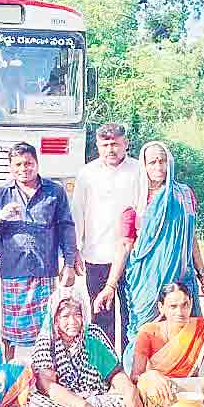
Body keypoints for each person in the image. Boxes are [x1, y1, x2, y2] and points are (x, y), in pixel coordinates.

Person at [94, 140, 204, 368]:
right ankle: (139, 381)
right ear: (144, 166)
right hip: (145, 283)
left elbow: (191, 238)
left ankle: (180, 377)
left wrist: (203, 275)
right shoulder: (136, 202)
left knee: (183, 329)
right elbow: (124, 245)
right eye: (152, 162)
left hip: (182, 278)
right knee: (145, 333)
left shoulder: (184, 195)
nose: (158, 166)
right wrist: (110, 285)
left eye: (162, 161)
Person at [0, 142, 77, 359]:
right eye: (18, 165)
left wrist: (69, 263)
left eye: (28, 163)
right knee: (10, 329)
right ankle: (8, 371)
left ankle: (48, 369)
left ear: (37, 163)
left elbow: (66, 226)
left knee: (49, 326)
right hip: (13, 270)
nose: (24, 168)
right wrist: (0, 217)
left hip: (45, 270)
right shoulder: (2, 194)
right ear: (10, 167)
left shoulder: (54, 191)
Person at [24, 291, 139, 407]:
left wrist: (130, 391)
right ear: (55, 319)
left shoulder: (92, 334)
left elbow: (115, 373)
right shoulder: (46, 340)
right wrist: (82, 406)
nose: (73, 321)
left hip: (95, 400)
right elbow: (47, 386)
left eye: (77, 314)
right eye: (65, 316)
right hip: (63, 404)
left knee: (126, 406)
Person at [71, 123, 147, 352]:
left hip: (132, 256)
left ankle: (127, 361)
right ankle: (104, 365)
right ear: (97, 146)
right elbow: (78, 212)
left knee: (130, 312)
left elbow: (142, 210)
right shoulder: (87, 173)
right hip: (96, 254)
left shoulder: (138, 171)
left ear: (126, 144)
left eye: (115, 144)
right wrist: (75, 250)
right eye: (105, 145)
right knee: (101, 312)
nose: (110, 150)